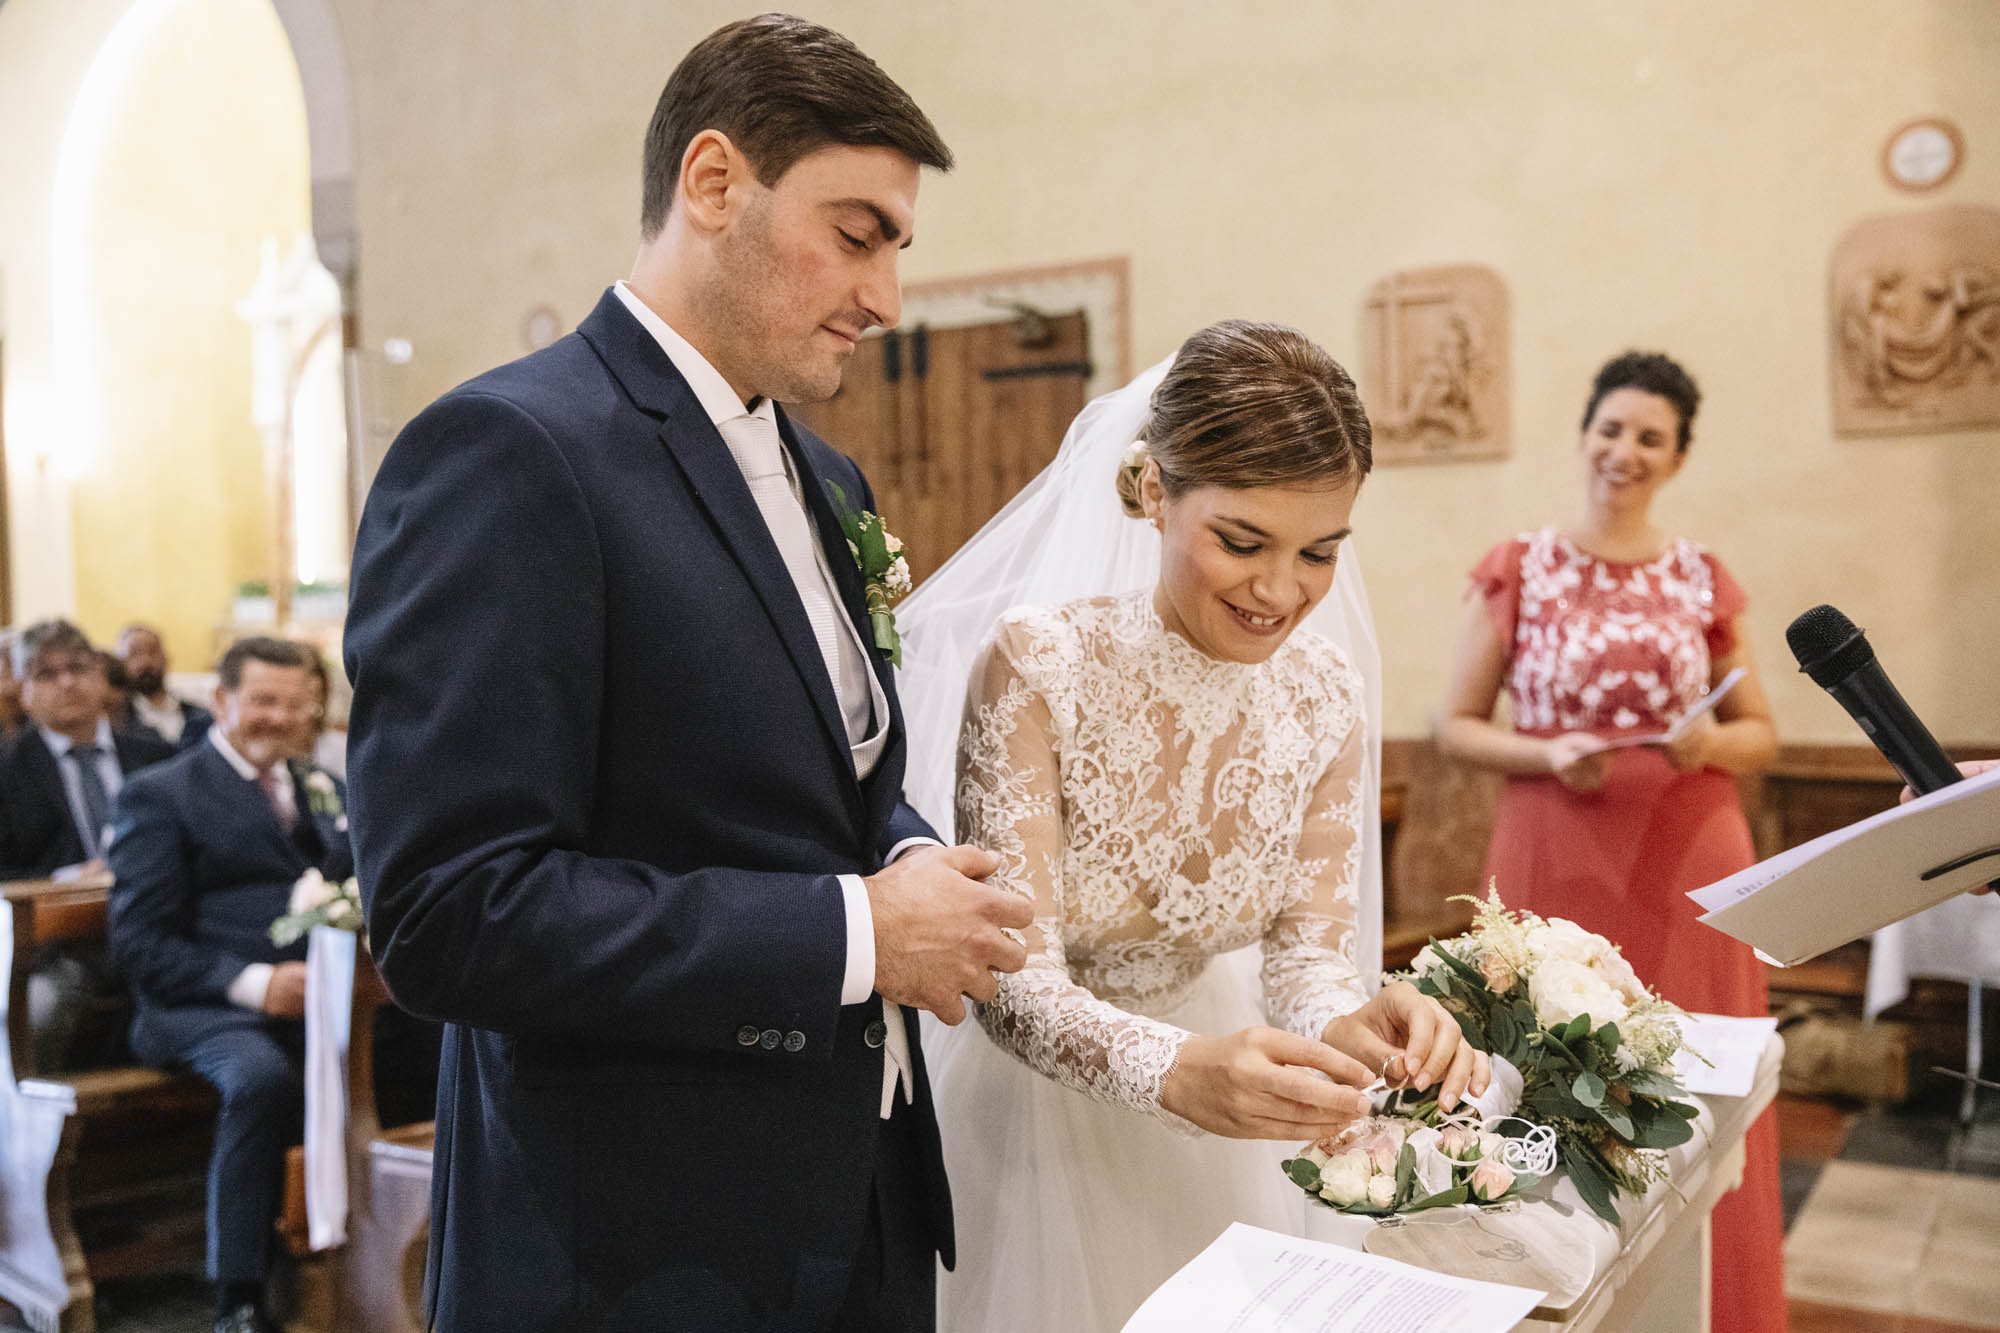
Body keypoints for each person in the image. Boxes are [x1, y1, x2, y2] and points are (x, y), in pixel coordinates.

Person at [342, 15, 1030, 1332]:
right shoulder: (510, 453)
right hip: (637, 1250)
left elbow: (841, 779)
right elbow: (449, 911)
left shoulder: (827, 477)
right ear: (713, 183)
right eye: (857, 232)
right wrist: (856, 934)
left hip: (863, 1205)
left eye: (898, 248)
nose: (886, 297)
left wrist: (906, 855)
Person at [898, 322, 1490, 1332]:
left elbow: (1304, 960)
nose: (1280, 591)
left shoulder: (1323, 693)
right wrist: (1171, 1069)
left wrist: (1356, 1025)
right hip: (1039, 1128)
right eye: (1241, 541)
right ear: (1150, 492)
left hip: (1229, 1114)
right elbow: (1009, 978)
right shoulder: (1039, 668)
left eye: (1318, 552)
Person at [1436, 350, 1785, 1333]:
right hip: (1552, 844)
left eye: (1649, 437)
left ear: (1674, 458)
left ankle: (1714, 1308)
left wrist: (1707, 738)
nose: (1623, 451)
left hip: (1689, 850)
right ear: (1583, 431)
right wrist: (1546, 754)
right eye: (1611, 427)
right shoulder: (1518, 565)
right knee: (1549, 1077)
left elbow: (1758, 731)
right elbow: (1453, 722)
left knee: (1689, 1085)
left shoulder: (1699, 575)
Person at [105, 637, 351, 1333]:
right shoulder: (160, 793)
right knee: (261, 1076)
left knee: (413, 1044)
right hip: (197, 1006)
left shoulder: (317, 786)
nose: (280, 717)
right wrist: (253, 983)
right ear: (221, 701)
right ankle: (237, 1296)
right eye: (262, 700)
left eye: (295, 703)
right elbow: (139, 941)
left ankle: (359, 1256)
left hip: (315, 997)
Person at [0, 619, 174, 1071]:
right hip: (57, 950)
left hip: (161, 929)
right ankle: (31, 1136)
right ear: (23, 691)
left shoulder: (153, 753)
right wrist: (67, 878)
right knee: (35, 1013)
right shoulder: (8, 771)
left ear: (102, 676)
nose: (67, 682)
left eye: (78, 667)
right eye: (46, 673)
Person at [116, 622, 215, 750]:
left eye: (152, 651)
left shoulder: (202, 716)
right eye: (135, 654)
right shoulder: (118, 723)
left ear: (166, 657)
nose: (145, 662)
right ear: (120, 662)